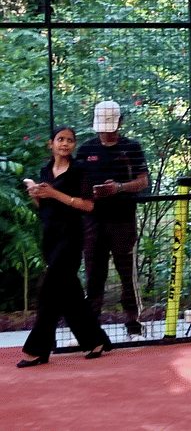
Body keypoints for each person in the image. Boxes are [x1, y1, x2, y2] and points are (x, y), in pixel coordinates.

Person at [18, 126, 112, 367]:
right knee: (70, 296)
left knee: (49, 291)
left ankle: (37, 350)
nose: (65, 144)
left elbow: (89, 206)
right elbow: (44, 207)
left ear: (73, 145)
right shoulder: (45, 171)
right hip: (49, 236)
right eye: (60, 139)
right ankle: (95, 341)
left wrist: (56, 194)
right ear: (51, 143)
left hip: (70, 237)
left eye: (70, 140)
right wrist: (35, 193)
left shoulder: (80, 170)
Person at [76, 100, 149, 339]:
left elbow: (143, 181)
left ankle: (133, 325)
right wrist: (89, 192)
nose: (105, 131)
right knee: (94, 276)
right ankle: (90, 329)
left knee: (127, 274)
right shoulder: (86, 149)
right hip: (92, 222)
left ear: (120, 122)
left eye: (110, 126)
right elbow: (76, 183)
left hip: (123, 220)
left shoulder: (132, 147)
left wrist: (118, 188)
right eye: (102, 126)